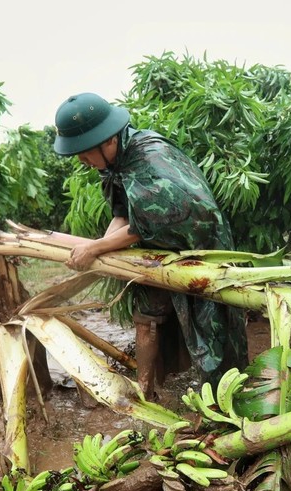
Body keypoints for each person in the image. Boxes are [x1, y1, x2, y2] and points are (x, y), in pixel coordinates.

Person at [52, 92, 248, 396]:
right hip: (156, 251)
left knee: (211, 333)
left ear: (108, 141)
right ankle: (146, 390)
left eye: (83, 151)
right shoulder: (115, 163)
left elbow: (146, 224)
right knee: (147, 317)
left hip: (197, 248)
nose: (80, 159)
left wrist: (95, 249)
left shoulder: (150, 158)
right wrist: (102, 247)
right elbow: (123, 213)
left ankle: (224, 403)